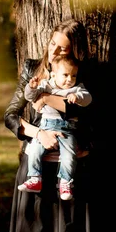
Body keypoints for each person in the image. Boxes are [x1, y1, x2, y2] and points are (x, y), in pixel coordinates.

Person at [4, 19, 92, 232]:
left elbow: (85, 112)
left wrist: (49, 99)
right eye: (55, 44)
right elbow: (11, 114)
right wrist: (34, 133)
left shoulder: (80, 74)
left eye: (65, 48)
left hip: (67, 173)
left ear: (74, 52)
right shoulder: (31, 69)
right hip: (37, 169)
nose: (57, 51)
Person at [18, 54, 92, 200]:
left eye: (73, 75)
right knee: (35, 150)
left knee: (69, 154)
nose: (70, 79)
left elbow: (88, 99)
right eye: (65, 75)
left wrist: (77, 98)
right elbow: (30, 97)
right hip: (46, 127)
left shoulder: (76, 89)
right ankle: (35, 178)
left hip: (67, 130)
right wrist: (31, 87)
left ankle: (65, 182)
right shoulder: (47, 85)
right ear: (53, 74)